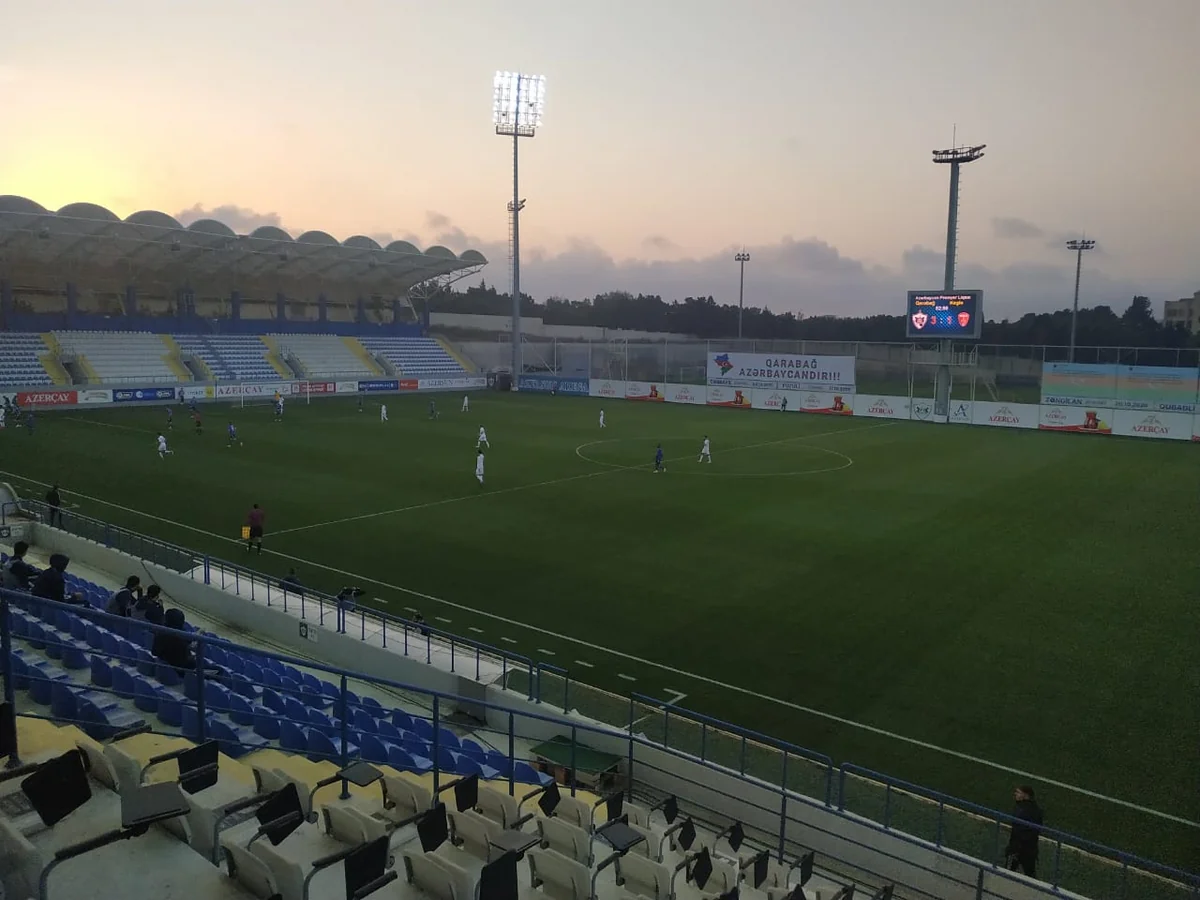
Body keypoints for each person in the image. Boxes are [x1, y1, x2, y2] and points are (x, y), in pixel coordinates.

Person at [1005, 786, 1044, 877]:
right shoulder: (1036, 810)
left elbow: (1018, 829)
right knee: (1031, 875)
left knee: (1006, 873)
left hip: (1017, 848)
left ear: (1025, 795)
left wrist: (1013, 849)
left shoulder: (1020, 809)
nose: (1015, 794)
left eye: (1018, 792)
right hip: (1030, 849)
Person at [152, 608, 196, 672]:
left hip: (165, 667)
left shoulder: (160, 633)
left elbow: (154, 652)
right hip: (180, 671)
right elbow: (183, 662)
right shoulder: (180, 641)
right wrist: (193, 656)